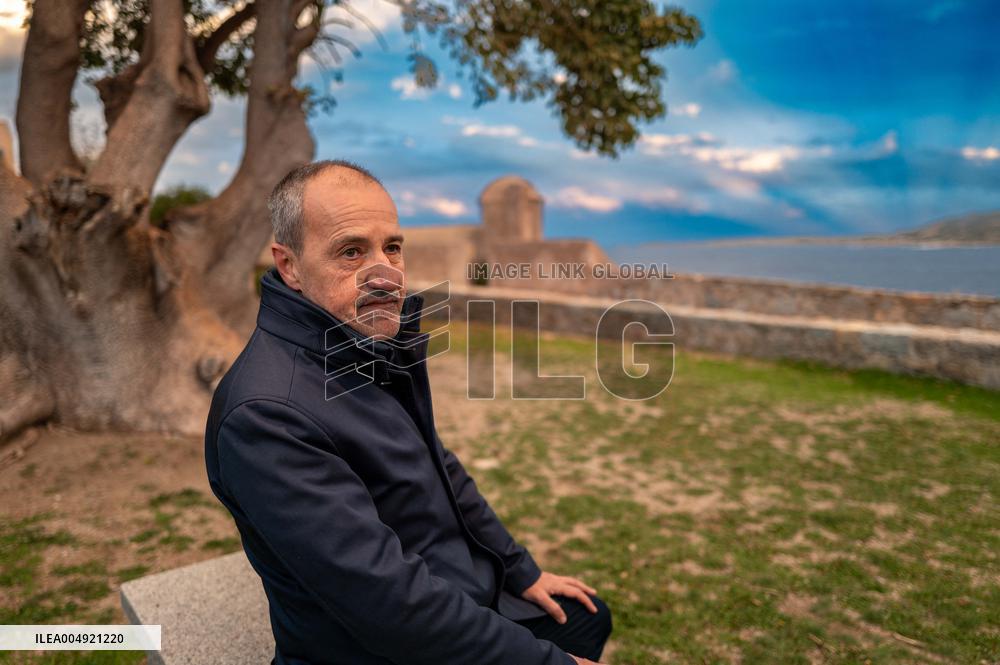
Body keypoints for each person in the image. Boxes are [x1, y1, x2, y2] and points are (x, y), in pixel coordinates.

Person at [204, 160, 613, 665]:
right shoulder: (266, 416)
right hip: (371, 650)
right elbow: (388, 604)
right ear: (289, 266)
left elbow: (441, 468)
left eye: (392, 248)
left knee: (587, 614)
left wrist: (519, 570)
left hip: (453, 590)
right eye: (351, 252)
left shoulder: (360, 347)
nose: (385, 274)